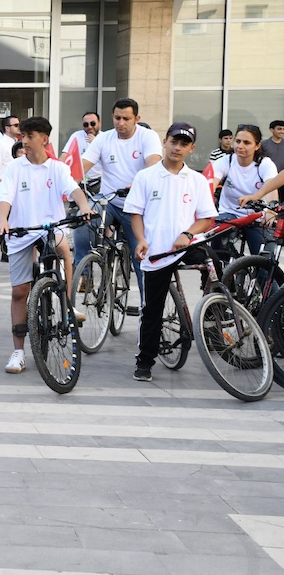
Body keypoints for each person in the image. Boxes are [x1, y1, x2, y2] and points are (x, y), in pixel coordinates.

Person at [0, 117, 92, 374]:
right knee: (19, 292)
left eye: (29, 136)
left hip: (51, 228)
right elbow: (5, 197)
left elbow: (74, 190)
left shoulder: (56, 168)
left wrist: (83, 206)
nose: (24, 141)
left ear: (44, 139)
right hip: (22, 232)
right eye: (22, 136)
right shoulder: (16, 168)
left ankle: (68, 303)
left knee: (63, 249)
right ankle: (18, 351)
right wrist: (3, 219)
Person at [125, 122, 217, 382]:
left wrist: (187, 234)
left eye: (184, 144)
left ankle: (213, 313)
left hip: (187, 245)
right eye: (174, 142)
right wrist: (141, 240)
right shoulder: (146, 176)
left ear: (192, 148)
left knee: (215, 263)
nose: (177, 148)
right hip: (157, 250)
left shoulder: (197, 180)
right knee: (152, 309)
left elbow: (206, 219)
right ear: (164, 142)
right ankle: (145, 360)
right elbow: (136, 214)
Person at [74, 98, 163, 302]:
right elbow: (82, 166)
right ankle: (85, 274)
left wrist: (139, 184)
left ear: (137, 119)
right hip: (109, 201)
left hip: (137, 208)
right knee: (82, 220)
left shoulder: (147, 137)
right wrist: (71, 182)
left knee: (142, 261)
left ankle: (147, 309)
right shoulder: (104, 139)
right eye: (117, 118)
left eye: (126, 118)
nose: (120, 123)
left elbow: (153, 165)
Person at [211, 125, 277, 256]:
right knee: (215, 246)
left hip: (257, 216)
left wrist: (270, 210)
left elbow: (271, 187)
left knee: (265, 262)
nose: (240, 146)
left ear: (257, 146)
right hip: (229, 213)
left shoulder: (264, 164)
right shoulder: (226, 161)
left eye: (247, 142)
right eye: (238, 141)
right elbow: (211, 182)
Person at [263, 120, 284, 200]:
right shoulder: (264, 145)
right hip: (269, 180)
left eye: (283, 129)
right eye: (279, 129)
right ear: (271, 130)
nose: (282, 131)